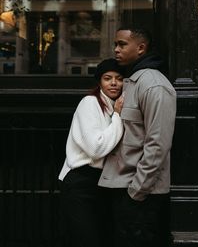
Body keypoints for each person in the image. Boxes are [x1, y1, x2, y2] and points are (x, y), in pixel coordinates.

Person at [98, 26, 177, 247]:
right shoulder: (131, 81)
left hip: (141, 195)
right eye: (115, 44)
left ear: (141, 48)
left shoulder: (154, 84)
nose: (116, 49)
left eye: (122, 44)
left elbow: (158, 144)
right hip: (123, 190)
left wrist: (137, 192)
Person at [58, 58, 125, 247]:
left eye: (119, 78)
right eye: (107, 78)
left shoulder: (115, 105)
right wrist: (118, 117)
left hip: (102, 183)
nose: (113, 83)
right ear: (99, 82)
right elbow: (96, 149)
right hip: (80, 181)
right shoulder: (89, 103)